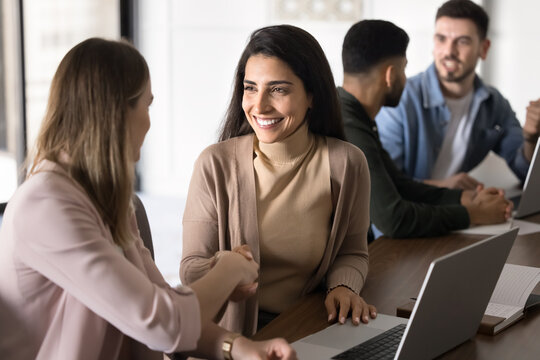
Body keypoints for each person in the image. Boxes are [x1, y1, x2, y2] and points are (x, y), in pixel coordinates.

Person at [0, 38, 296, 360]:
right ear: (116, 114)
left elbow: (160, 302)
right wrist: (230, 269)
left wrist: (239, 347)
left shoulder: (104, 196)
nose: (149, 122)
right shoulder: (46, 205)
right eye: (147, 105)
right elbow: (163, 323)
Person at [180, 24, 377, 336]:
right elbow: (191, 269)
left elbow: (352, 251)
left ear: (312, 95)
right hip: (233, 339)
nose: (259, 106)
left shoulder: (347, 163)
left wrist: (341, 286)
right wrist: (225, 264)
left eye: (278, 89)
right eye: (250, 88)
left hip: (311, 325)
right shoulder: (214, 165)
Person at [339, 19, 512, 239]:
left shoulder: (353, 115)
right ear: (390, 75)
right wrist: (473, 213)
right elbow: (394, 218)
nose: (405, 78)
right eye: (404, 68)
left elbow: (400, 185)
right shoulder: (348, 126)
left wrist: (464, 198)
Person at [375, 0, 540, 190]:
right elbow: (383, 187)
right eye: (441, 39)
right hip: (410, 215)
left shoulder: (494, 103)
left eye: (462, 41)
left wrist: (530, 138)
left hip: (453, 214)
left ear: (484, 49)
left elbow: (525, 172)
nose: (449, 52)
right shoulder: (401, 98)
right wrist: (444, 189)